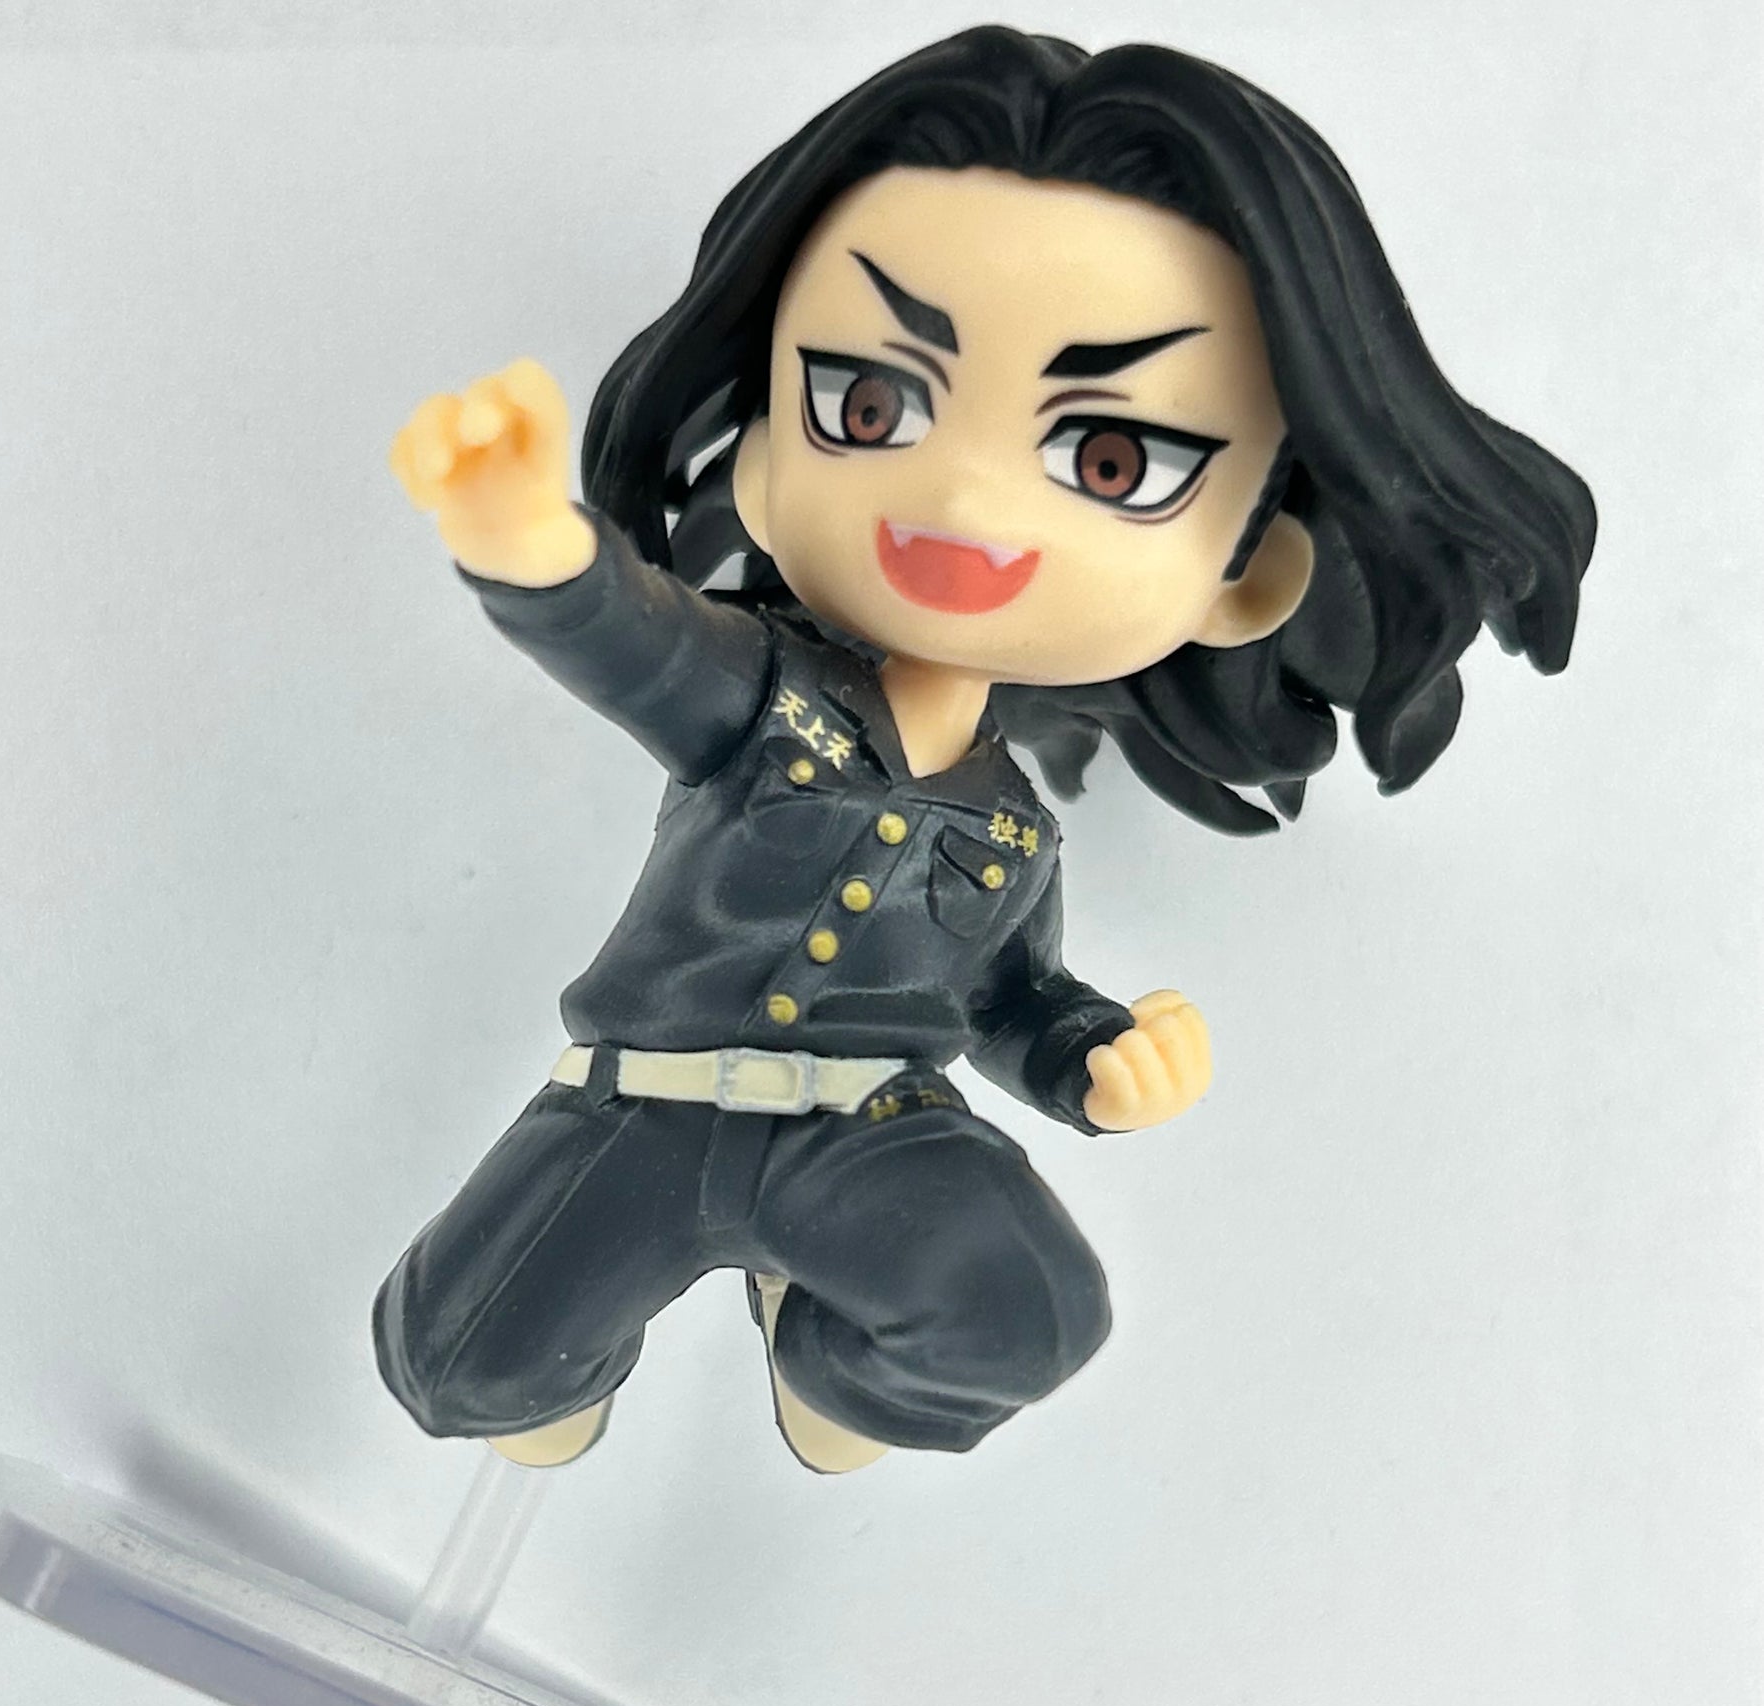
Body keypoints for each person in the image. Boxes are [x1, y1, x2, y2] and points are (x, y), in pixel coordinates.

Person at [373, 30, 1596, 1472]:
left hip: (867, 1144)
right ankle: (558, 1388)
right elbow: (633, 645)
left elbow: (1014, 996)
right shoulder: (759, 699)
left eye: (1109, 461)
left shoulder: (1014, 830)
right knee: (463, 1370)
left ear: (1246, 581)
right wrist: (535, 550)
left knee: (1027, 1312)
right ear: (762, 462)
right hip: (639, 1111)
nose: (961, 499)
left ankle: (822, 1354)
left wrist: (1094, 1061)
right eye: (869, 406)